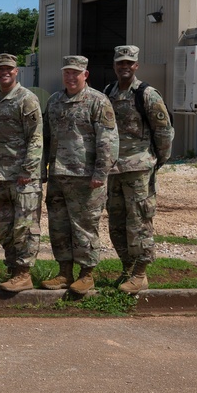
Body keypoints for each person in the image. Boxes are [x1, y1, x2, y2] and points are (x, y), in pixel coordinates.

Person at [41, 55, 119, 294]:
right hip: (58, 176)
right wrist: (43, 169)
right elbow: (44, 138)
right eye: (67, 72)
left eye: (76, 72)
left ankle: (87, 274)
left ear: (85, 75)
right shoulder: (55, 101)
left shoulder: (98, 101)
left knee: (85, 227)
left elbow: (108, 140)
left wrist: (100, 172)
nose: (71, 77)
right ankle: (64, 272)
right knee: (59, 227)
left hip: (86, 178)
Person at [105, 45, 174, 294]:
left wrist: (157, 161)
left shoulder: (147, 94)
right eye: (120, 62)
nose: (124, 67)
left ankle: (141, 274)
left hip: (138, 169)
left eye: (129, 63)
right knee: (117, 222)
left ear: (136, 65)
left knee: (139, 222)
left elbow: (164, 132)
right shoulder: (108, 92)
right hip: (114, 170)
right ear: (114, 65)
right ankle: (127, 269)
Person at [0, 53, 44, 292]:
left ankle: (24, 273)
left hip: (23, 176)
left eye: (8, 69)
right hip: (1, 176)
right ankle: (12, 269)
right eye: (0, 69)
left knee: (25, 226)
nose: (4, 72)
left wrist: (28, 169)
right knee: (6, 227)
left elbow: (36, 137)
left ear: (16, 70)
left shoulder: (26, 99)